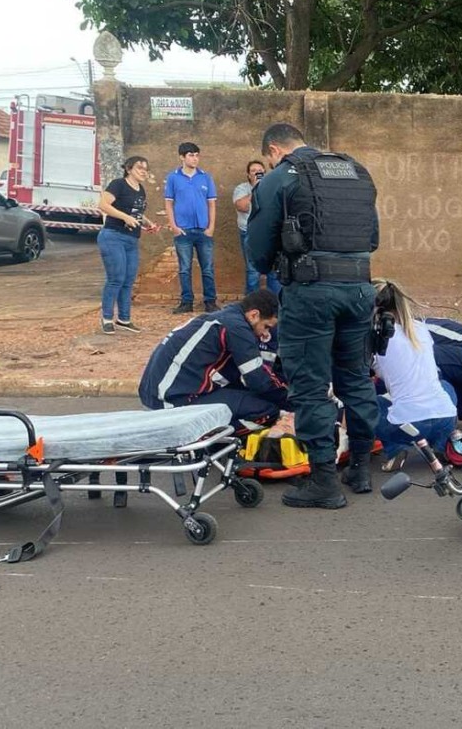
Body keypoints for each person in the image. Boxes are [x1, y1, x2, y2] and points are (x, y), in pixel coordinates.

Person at [247, 122, 381, 510]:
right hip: (360, 289)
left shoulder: (279, 177)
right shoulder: (356, 170)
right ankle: (359, 468)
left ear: (274, 150)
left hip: (310, 293)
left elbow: (257, 251)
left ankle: (324, 481)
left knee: (309, 383)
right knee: (355, 377)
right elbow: (373, 238)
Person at [138, 290, 288, 423]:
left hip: (158, 395)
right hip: (174, 400)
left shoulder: (226, 318)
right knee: (268, 411)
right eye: (266, 326)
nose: (265, 334)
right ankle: (218, 445)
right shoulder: (237, 328)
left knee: (249, 398)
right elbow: (258, 380)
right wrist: (293, 403)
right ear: (254, 315)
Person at [368, 280, 460, 481]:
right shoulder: (421, 329)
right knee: (445, 386)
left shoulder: (375, 339)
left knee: (370, 403)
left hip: (408, 424)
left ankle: (396, 448)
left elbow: (375, 375)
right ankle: (442, 440)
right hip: (445, 417)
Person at [96, 155, 160, 334]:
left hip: (131, 239)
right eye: (140, 168)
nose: (143, 172)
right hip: (113, 236)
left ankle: (124, 319)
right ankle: (107, 318)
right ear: (129, 169)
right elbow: (103, 204)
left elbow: (137, 214)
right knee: (116, 278)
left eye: (146, 169)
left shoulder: (141, 190)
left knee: (128, 280)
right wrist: (125, 217)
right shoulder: (118, 184)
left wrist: (148, 223)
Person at [164, 141, 218, 314]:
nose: (195, 159)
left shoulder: (205, 177)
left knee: (208, 268)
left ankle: (210, 301)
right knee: (185, 268)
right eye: (191, 155)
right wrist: (173, 225)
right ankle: (186, 302)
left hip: (203, 230)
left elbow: (211, 204)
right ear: (182, 157)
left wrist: (211, 227)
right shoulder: (173, 178)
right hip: (183, 231)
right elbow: (169, 203)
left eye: (197, 155)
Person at [233, 160, 280, 296]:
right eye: (254, 170)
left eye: (260, 170)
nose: (257, 172)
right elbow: (242, 206)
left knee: (273, 269)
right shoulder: (242, 188)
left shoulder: (273, 187)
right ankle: (251, 304)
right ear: (248, 175)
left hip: (269, 232)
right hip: (249, 232)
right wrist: (256, 189)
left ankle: (274, 304)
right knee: (252, 270)